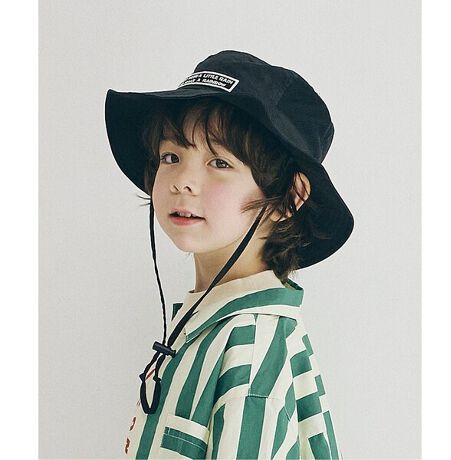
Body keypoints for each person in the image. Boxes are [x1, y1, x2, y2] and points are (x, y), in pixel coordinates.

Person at [105, 50, 354, 459]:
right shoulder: (210, 326)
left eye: (219, 162)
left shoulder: (251, 348)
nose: (183, 181)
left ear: (289, 197)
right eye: (171, 157)